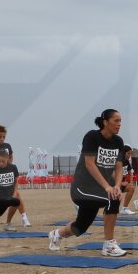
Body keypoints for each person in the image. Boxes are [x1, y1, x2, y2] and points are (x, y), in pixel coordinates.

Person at [48, 109, 127, 256]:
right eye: (116, 121)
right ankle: (109, 245)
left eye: (120, 121)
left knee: (80, 227)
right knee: (113, 200)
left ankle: (56, 235)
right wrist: (107, 187)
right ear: (105, 122)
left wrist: (116, 185)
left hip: (100, 189)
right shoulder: (92, 137)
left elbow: (119, 166)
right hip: (82, 188)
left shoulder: (118, 141)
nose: (119, 124)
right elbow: (90, 164)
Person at [119, 145, 138, 215]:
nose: (130, 155)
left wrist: (131, 183)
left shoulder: (126, 161)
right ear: (124, 152)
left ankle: (124, 209)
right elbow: (111, 174)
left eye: (131, 154)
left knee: (131, 188)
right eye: (128, 153)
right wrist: (120, 183)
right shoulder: (118, 161)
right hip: (113, 185)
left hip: (121, 184)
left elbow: (130, 173)